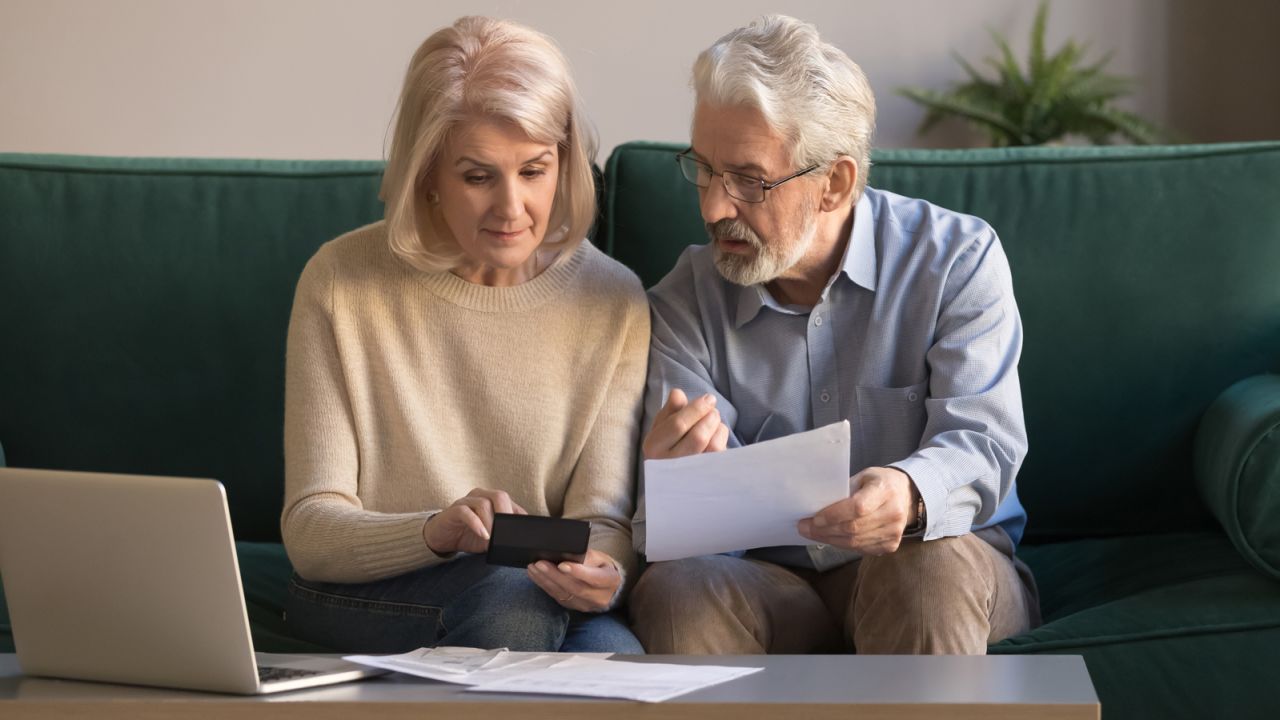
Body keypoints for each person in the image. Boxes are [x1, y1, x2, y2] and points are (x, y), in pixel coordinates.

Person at [628, 15, 1040, 655]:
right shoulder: (684, 297)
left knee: (926, 566)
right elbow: (672, 535)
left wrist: (908, 493)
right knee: (680, 589)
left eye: (748, 180)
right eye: (703, 170)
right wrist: (674, 485)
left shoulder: (957, 260)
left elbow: (984, 443)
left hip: (939, 564)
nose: (712, 206)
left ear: (836, 184)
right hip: (769, 582)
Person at [281, 16, 648, 654]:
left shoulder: (614, 299)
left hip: (538, 593)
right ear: (427, 174)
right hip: (374, 589)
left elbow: (603, 521)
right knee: (510, 604)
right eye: (478, 176)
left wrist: (606, 574)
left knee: (617, 657)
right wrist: (434, 531)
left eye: (534, 171)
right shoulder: (339, 282)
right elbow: (312, 531)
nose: (512, 208)